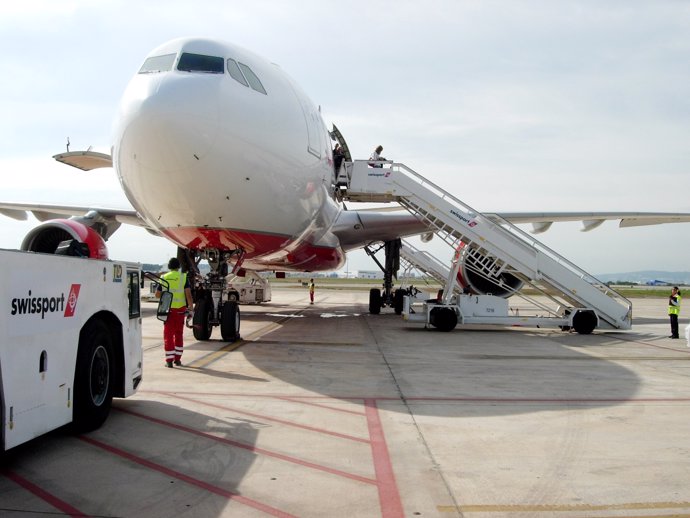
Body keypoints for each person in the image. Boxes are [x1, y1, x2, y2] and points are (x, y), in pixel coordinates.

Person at [156, 257, 194, 367]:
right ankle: (177, 359)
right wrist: (191, 309)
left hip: (168, 311)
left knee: (168, 335)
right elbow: (188, 295)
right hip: (180, 311)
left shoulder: (164, 277)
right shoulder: (183, 277)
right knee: (179, 334)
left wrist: (166, 295)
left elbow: (157, 295)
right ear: (178, 267)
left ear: (169, 267)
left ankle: (169, 360)